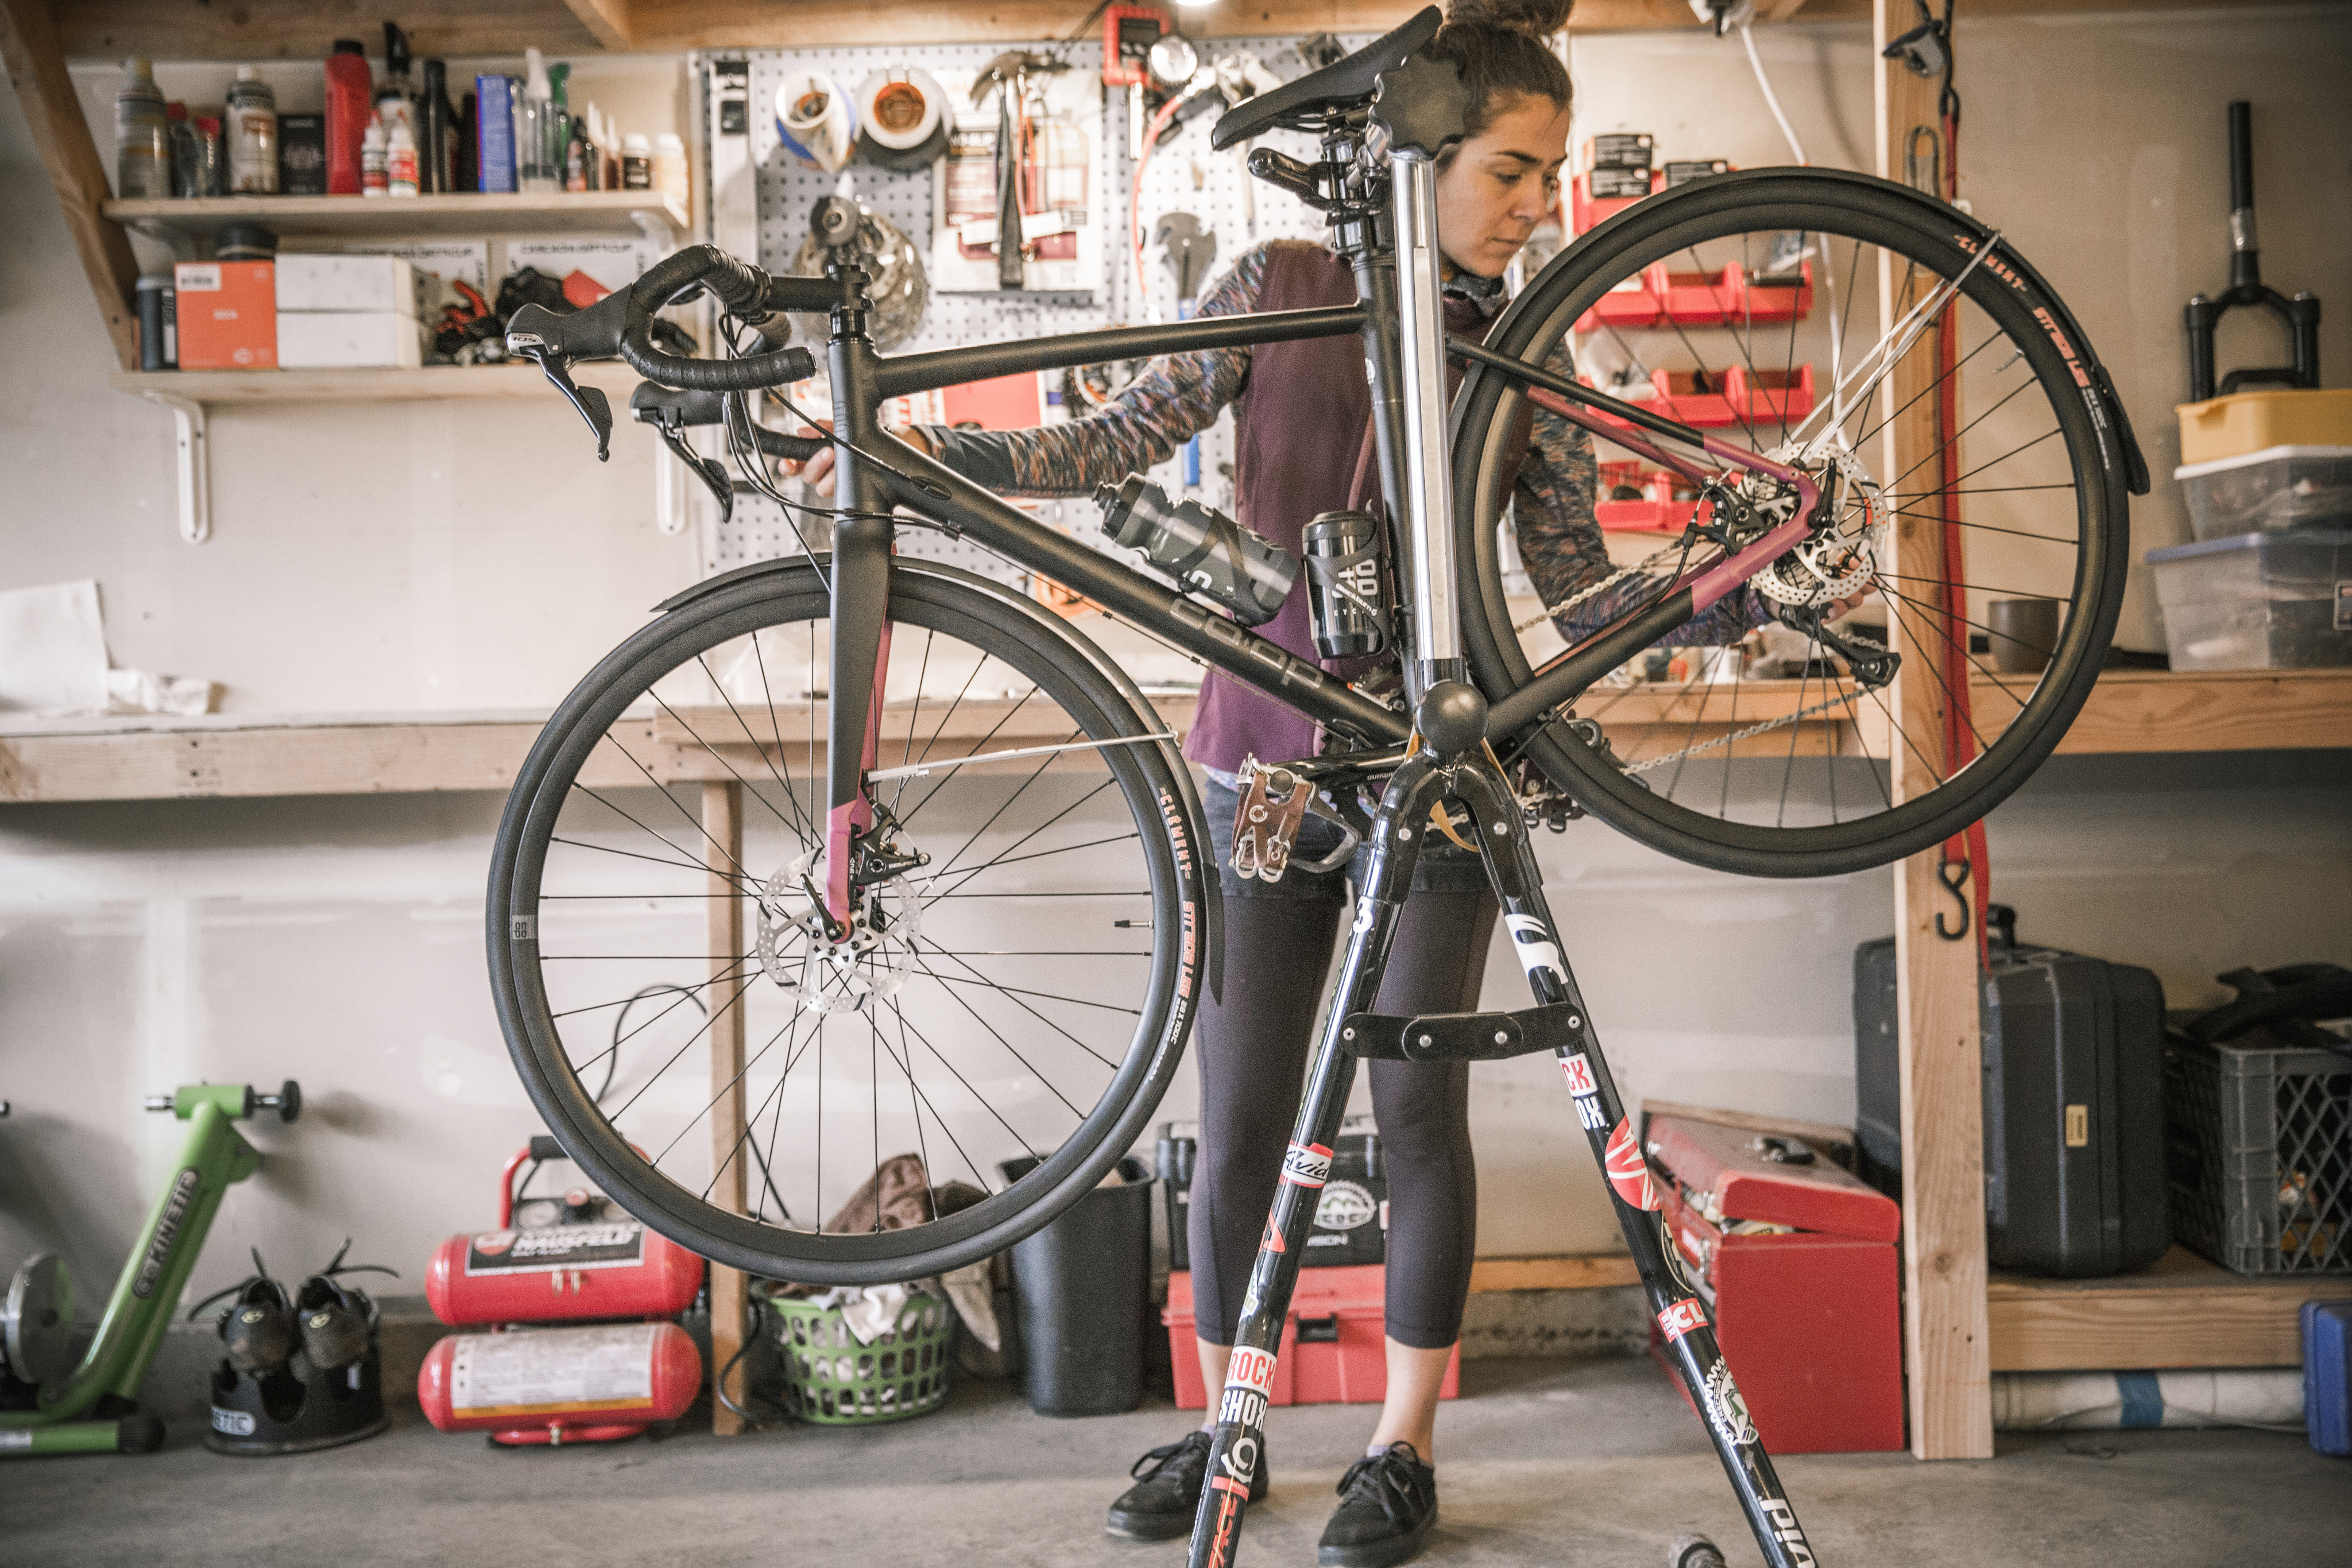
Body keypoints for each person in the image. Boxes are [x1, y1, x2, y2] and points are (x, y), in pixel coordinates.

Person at [795, 3, 1749, 1560]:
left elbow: (1574, 597)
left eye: (1552, 176)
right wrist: (913, 452)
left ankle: (1403, 1445)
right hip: (1259, 772)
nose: (1536, 205)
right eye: (1511, 168)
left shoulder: (1528, 339)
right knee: (1237, 1132)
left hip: (1435, 784)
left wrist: (1721, 587)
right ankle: (1226, 1421)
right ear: (1421, 151)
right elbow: (1104, 445)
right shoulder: (1276, 286)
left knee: (1417, 1122)